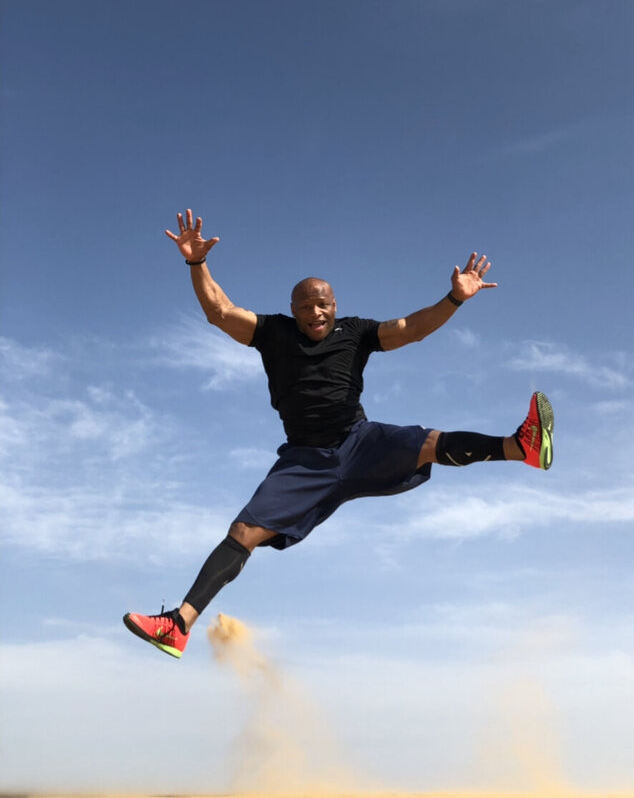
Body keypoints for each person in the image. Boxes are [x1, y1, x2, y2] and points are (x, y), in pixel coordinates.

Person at [123, 209, 554, 659]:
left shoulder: (357, 333)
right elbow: (220, 311)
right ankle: (178, 625)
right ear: (293, 309)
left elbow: (411, 329)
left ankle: (520, 446)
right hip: (304, 460)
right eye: (306, 305)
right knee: (244, 530)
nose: (316, 311)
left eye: (323, 303)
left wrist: (454, 298)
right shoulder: (272, 332)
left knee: (427, 442)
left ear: (335, 305)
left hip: (358, 442)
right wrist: (197, 263)